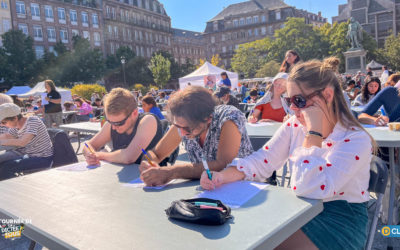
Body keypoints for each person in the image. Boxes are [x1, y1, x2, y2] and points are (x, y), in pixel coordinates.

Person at [201, 57, 373, 250]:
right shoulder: (294, 125)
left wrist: (313, 132)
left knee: (260, 243)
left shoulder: (357, 139)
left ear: (327, 95)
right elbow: (263, 161)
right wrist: (221, 176)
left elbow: (313, 188)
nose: (292, 108)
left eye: (299, 100)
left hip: (340, 221)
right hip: (298, 209)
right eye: (288, 100)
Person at [139, 86, 253, 186]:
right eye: (177, 126)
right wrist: (148, 162)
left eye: (188, 128)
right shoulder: (181, 123)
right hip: (207, 191)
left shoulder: (229, 117)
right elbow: (156, 153)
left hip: (245, 188)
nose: (182, 133)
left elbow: (223, 164)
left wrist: (171, 172)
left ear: (208, 118)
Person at [83, 88, 163, 165]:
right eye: (110, 121)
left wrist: (99, 155)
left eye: (119, 123)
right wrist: (89, 154)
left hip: (150, 176)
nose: (113, 127)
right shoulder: (112, 124)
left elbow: (129, 157)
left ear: (134, 113)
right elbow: (88, 144)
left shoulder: (148, 120)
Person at [0, 103, 53, 170]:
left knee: (6, 167)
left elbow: (22, 142)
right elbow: (7, 136)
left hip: (42, 157)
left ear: (15, 118)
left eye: (4, 122)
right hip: (25, 154)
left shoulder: (33, 121)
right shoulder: (15, 125)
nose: (1, 125)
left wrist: (1, 142)